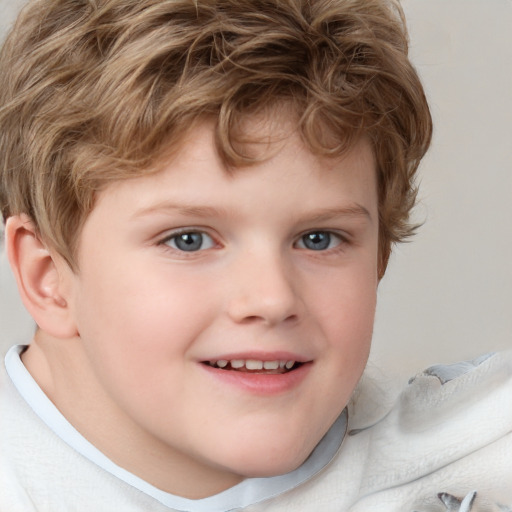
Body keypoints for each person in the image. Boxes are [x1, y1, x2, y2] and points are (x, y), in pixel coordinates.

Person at [0, 0, 510, 510]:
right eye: (189, 240)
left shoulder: (479, 454)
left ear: (379, 254)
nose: (271, 299)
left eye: (319, 238)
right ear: (47, 277)